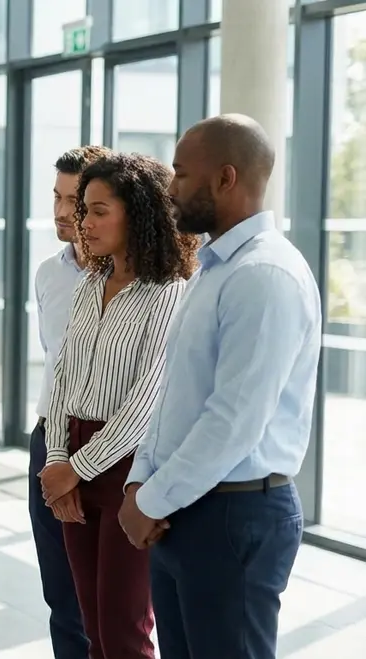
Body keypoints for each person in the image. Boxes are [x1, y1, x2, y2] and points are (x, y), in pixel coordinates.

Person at [120, 114, 321, 659]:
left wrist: (151, 499)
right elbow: (172, 398)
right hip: (187, 509)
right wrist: (139, 485)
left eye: (182, 174)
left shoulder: (265, 276)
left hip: (233, 518)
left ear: (225, 178)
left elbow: (232, 421)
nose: (171, 187)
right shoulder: (214, 269)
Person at [40, 152, 199, 659]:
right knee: (92, 628)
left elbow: (146, 399)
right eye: (83, 210)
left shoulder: (168, 293)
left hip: (131, 466)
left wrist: (77, 469)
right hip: (75, 454)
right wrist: (57, 460)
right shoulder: (89, 285)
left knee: (124, 628)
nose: (84, 222)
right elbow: (62, 377)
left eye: (98, 210)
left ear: (138, 212)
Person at [29, 145, 109, 659]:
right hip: (49, 438)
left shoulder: (144, 281)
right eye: (56, 197)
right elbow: (56, 368)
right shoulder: (49, 275)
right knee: (61, 595)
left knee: (113, 604)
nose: (61, 212)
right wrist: (56, 455)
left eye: (74, 200)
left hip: (109, 444)